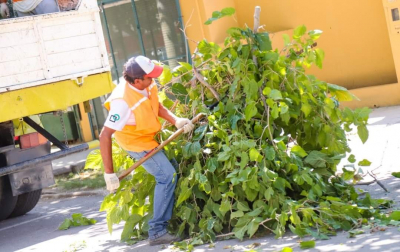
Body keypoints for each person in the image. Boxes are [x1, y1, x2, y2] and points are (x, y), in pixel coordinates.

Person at [99, 56, 194, 246]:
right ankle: (157, 231)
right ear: (136, 81)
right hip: (134, 142)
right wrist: (109, 173)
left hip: (149, 136)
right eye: (150, 78)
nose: (154, 80)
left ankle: (168, 220)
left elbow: (155, 105)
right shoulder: (122, 102)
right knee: (167, 176)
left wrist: (175, 120)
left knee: (173, 171)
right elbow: (104, 135)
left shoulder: (146, 85)